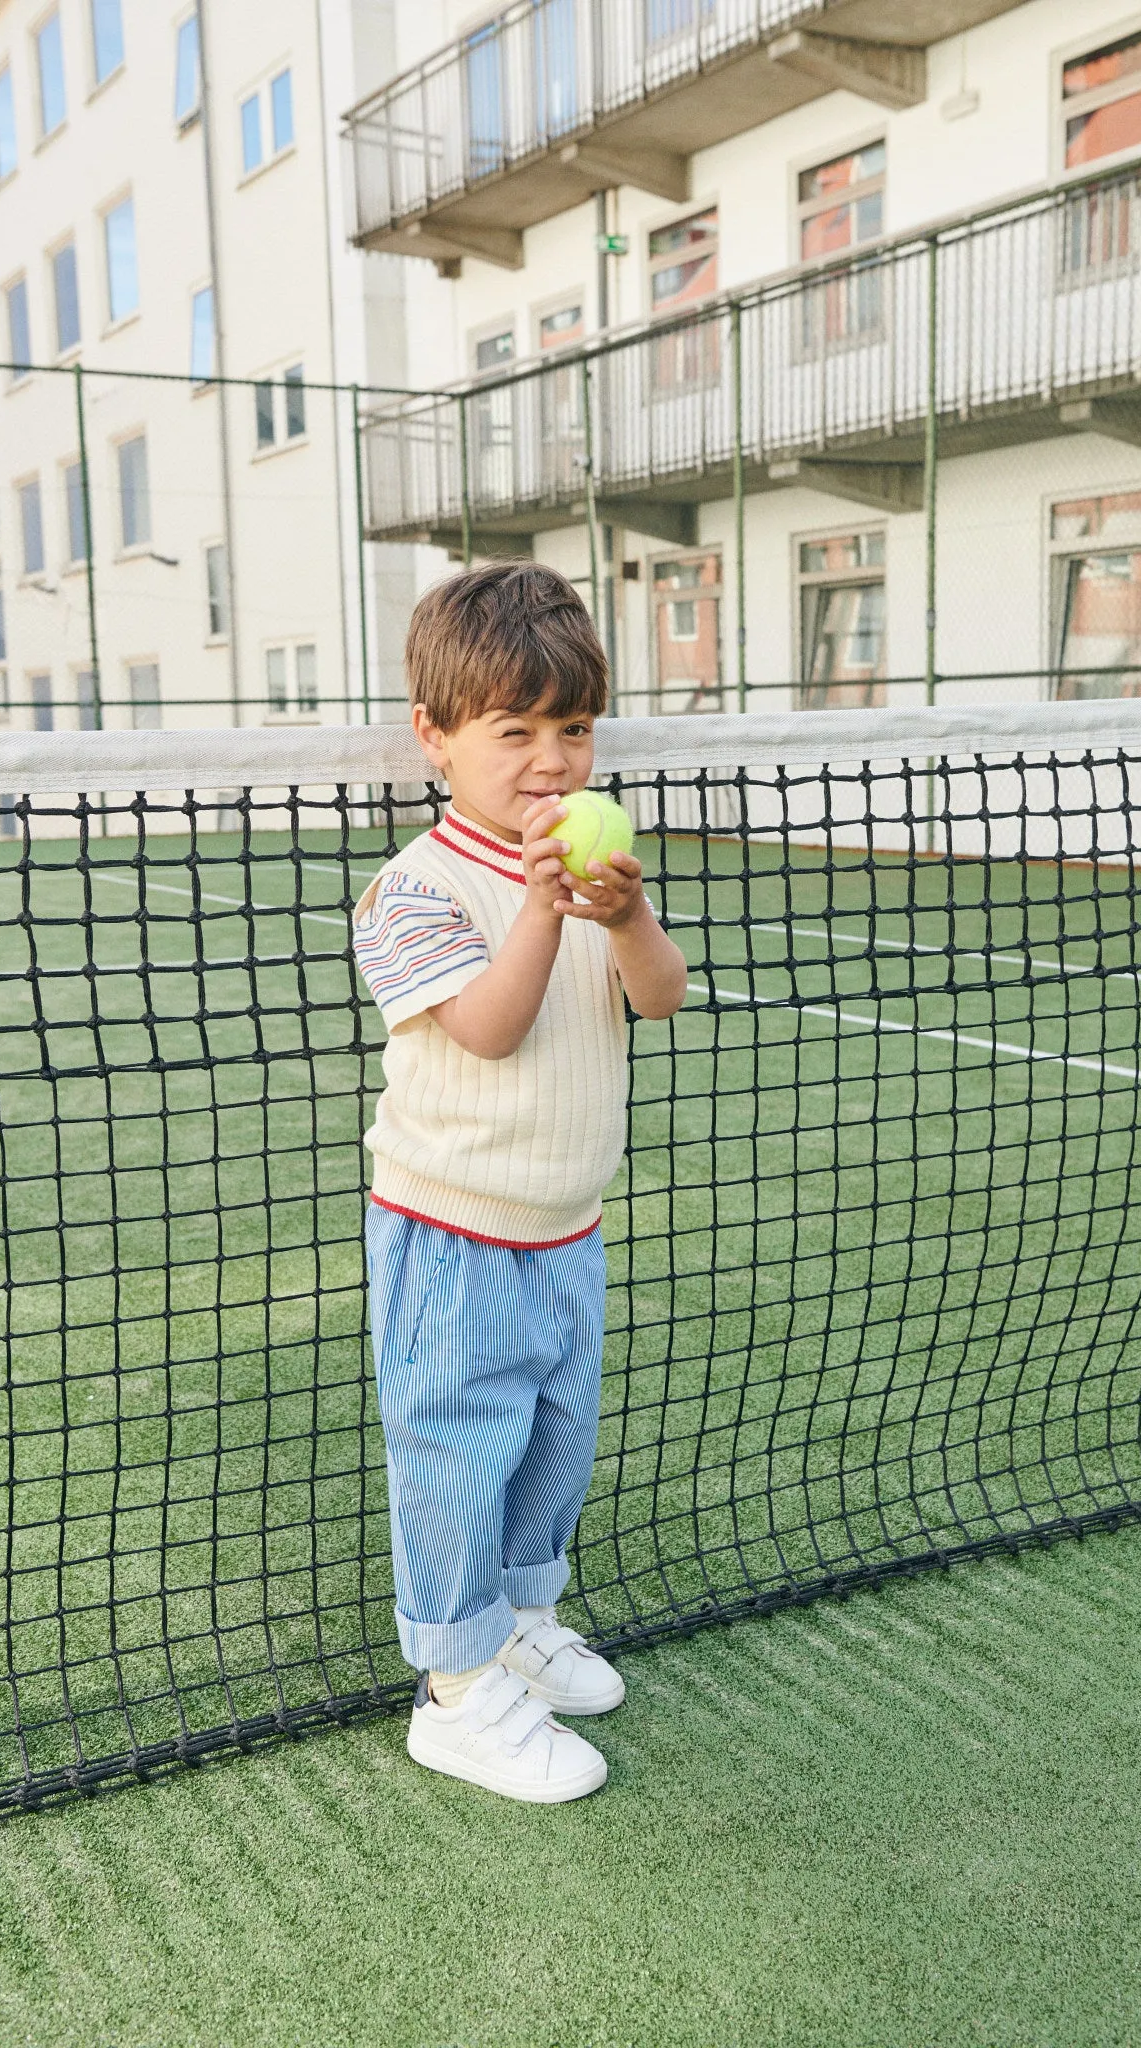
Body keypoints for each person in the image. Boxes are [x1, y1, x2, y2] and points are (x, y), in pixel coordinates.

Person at [351, 562, 688, 1804]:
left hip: (566, 1228)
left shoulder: (595, 881)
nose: (552, 760)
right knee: (455, 1453)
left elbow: (661, 994)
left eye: (574, 729)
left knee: (551, 1451)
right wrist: (549, 908)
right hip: (450, 1235)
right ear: (436, 735)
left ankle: (519, 1626)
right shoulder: (413, 889)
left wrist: (623, 916)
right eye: (516, 730)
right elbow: (487, 1027)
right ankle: (453, 1689)